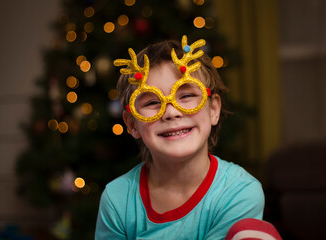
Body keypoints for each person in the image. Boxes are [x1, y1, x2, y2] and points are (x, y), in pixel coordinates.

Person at [95, 35, 265, 239]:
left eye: (186, 96)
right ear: (132, 124)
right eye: (151, 103)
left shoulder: (240, 193)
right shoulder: (117, 199)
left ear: (213, 110)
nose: (171, 112)